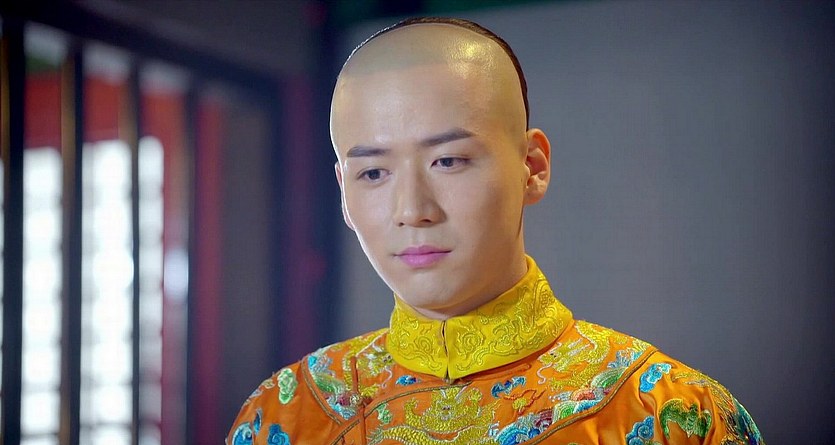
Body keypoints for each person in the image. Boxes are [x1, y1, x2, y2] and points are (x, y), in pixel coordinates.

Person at [227, 17, 764, 445]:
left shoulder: (672, 415)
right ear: (343, 192)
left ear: (532, 166)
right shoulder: (283, 416)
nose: (412, 210)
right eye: (373, 173)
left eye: (449, 161)